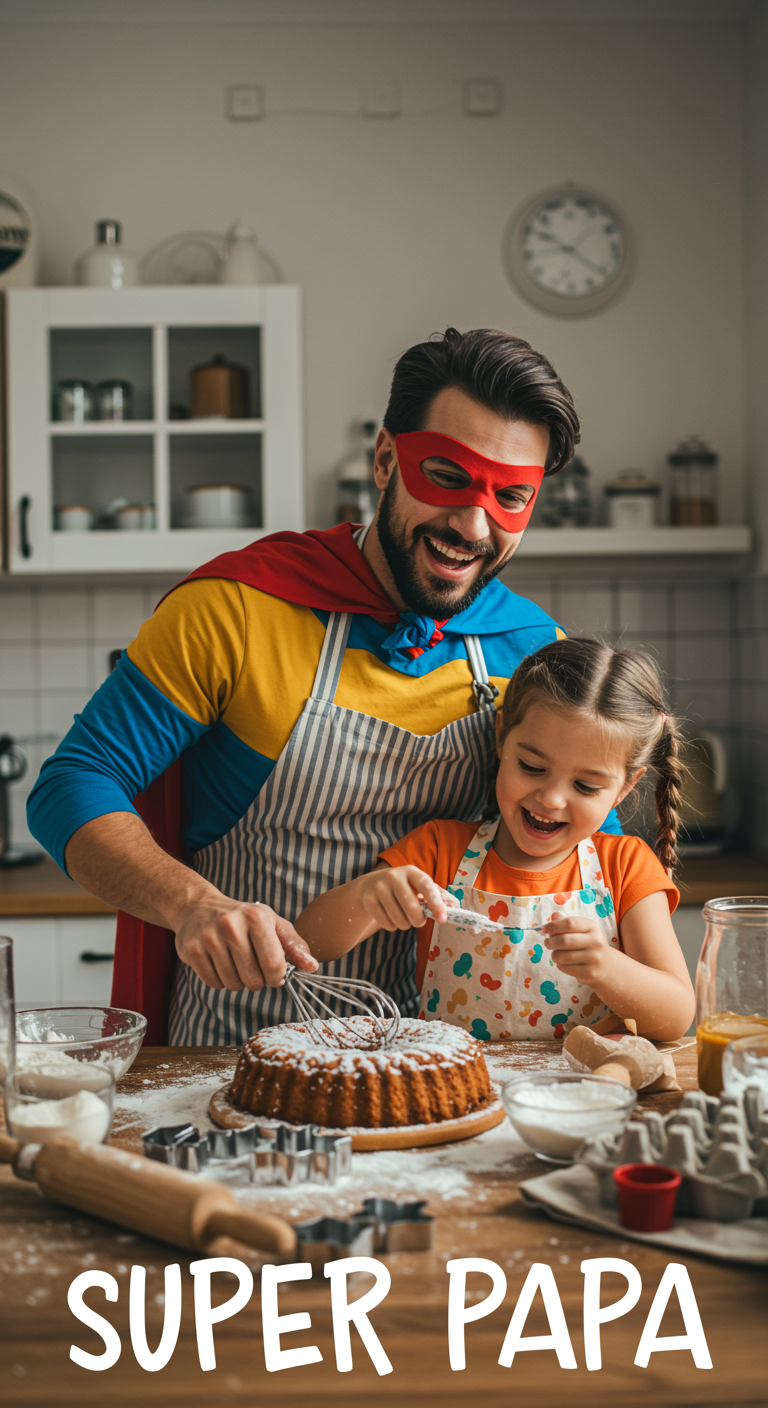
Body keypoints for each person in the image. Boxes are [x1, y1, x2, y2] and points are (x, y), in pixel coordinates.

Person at [28, 327, 621, 1045]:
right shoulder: (236, 610)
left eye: (511, 497)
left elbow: (595, 864)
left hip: (450, 1059)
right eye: (446, 475)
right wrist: (193, 905)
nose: (473, 524)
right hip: (233, 1053)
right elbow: (72, 783)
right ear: (383, 460)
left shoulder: (534, 652)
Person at [296, 638, 695, 1041]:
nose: (551, 798)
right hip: (453, 1088)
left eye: (586, 786)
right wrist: (367, 896)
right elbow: (312, 942)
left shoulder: (626, 866)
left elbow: (676, 1017)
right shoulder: (437, 850)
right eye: (532, 766)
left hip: (579, 1095)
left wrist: (608, 968)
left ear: (625, 787)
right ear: (502, 734)